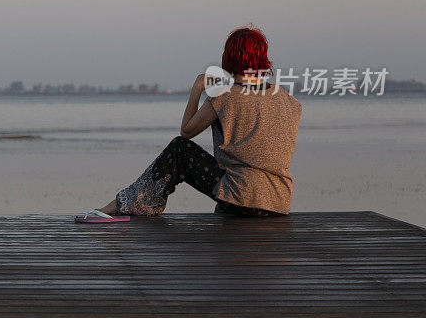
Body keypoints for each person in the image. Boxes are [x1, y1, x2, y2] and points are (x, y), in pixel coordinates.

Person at [95, 26, 302, 218]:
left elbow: (186, 132)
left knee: (179, 149)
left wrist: (197, 88)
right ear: (263, 59)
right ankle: (223, 211)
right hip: (279, 203)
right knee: (229, 186)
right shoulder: (290, 101)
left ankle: (128, 204)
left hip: (241, 197)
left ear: (229, 58)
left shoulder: (225, 96)